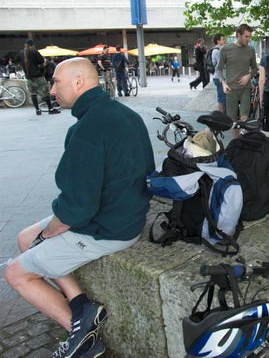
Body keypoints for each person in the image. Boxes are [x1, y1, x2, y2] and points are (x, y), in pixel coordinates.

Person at [3, 57, 155, 358]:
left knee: (16, 274)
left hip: (108, 228)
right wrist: (42, 235)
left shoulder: (87, 128)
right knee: (24, 238)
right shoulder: (120, 112)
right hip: (124, 212)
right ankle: (82, 305)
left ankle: (82, 337)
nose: (52, 89)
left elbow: (76, 209)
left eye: (56, 82)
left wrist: (47, 235)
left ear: (78, 82)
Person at [216, 24, 258, 138]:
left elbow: (255, 68)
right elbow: (218, 68)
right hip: (230, 89)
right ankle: (235, 142)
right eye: (246, 36)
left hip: (245, 88)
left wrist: (249, 76)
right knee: (232, 120)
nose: (248, 39)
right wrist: (223, 83)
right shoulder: (225, 49)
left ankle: (243, 141)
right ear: (238, 35)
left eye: (250, 37)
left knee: (244, 118)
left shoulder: (250, 50)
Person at [17, 39, 58, 115]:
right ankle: (50, 109)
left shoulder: (20, 53)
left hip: (29, 78)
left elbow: (18, 61)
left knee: (33, 94)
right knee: (45, 93)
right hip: (38, 76)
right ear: (32, 45)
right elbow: (42, 61)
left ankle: (37, 110)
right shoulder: (34, 51)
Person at [209, 33, 227, 113]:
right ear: (218, 41)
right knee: (222, 97)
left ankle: (223, 115)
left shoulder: (219, 50)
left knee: (223, 97)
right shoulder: (216, 51)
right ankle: (221, 115)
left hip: (220, 76)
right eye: (223, 39)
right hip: (219, 77)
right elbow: (221, 65)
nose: (224, 40)